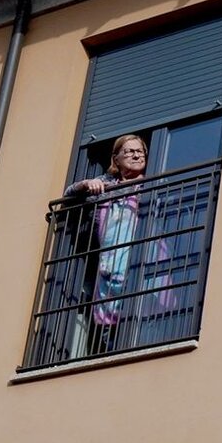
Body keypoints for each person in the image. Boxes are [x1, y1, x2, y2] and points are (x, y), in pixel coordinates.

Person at [64, 135, 176, 347]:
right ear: (115, 159)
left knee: (145, 333)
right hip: (111, 271)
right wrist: (87, 183)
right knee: (111, 337)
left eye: (140, 151)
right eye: (129, 151)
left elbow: (170, 204)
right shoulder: (106, 185)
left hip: (145, 268)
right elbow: (68, 195)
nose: (136, 155)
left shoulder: (155, 182)